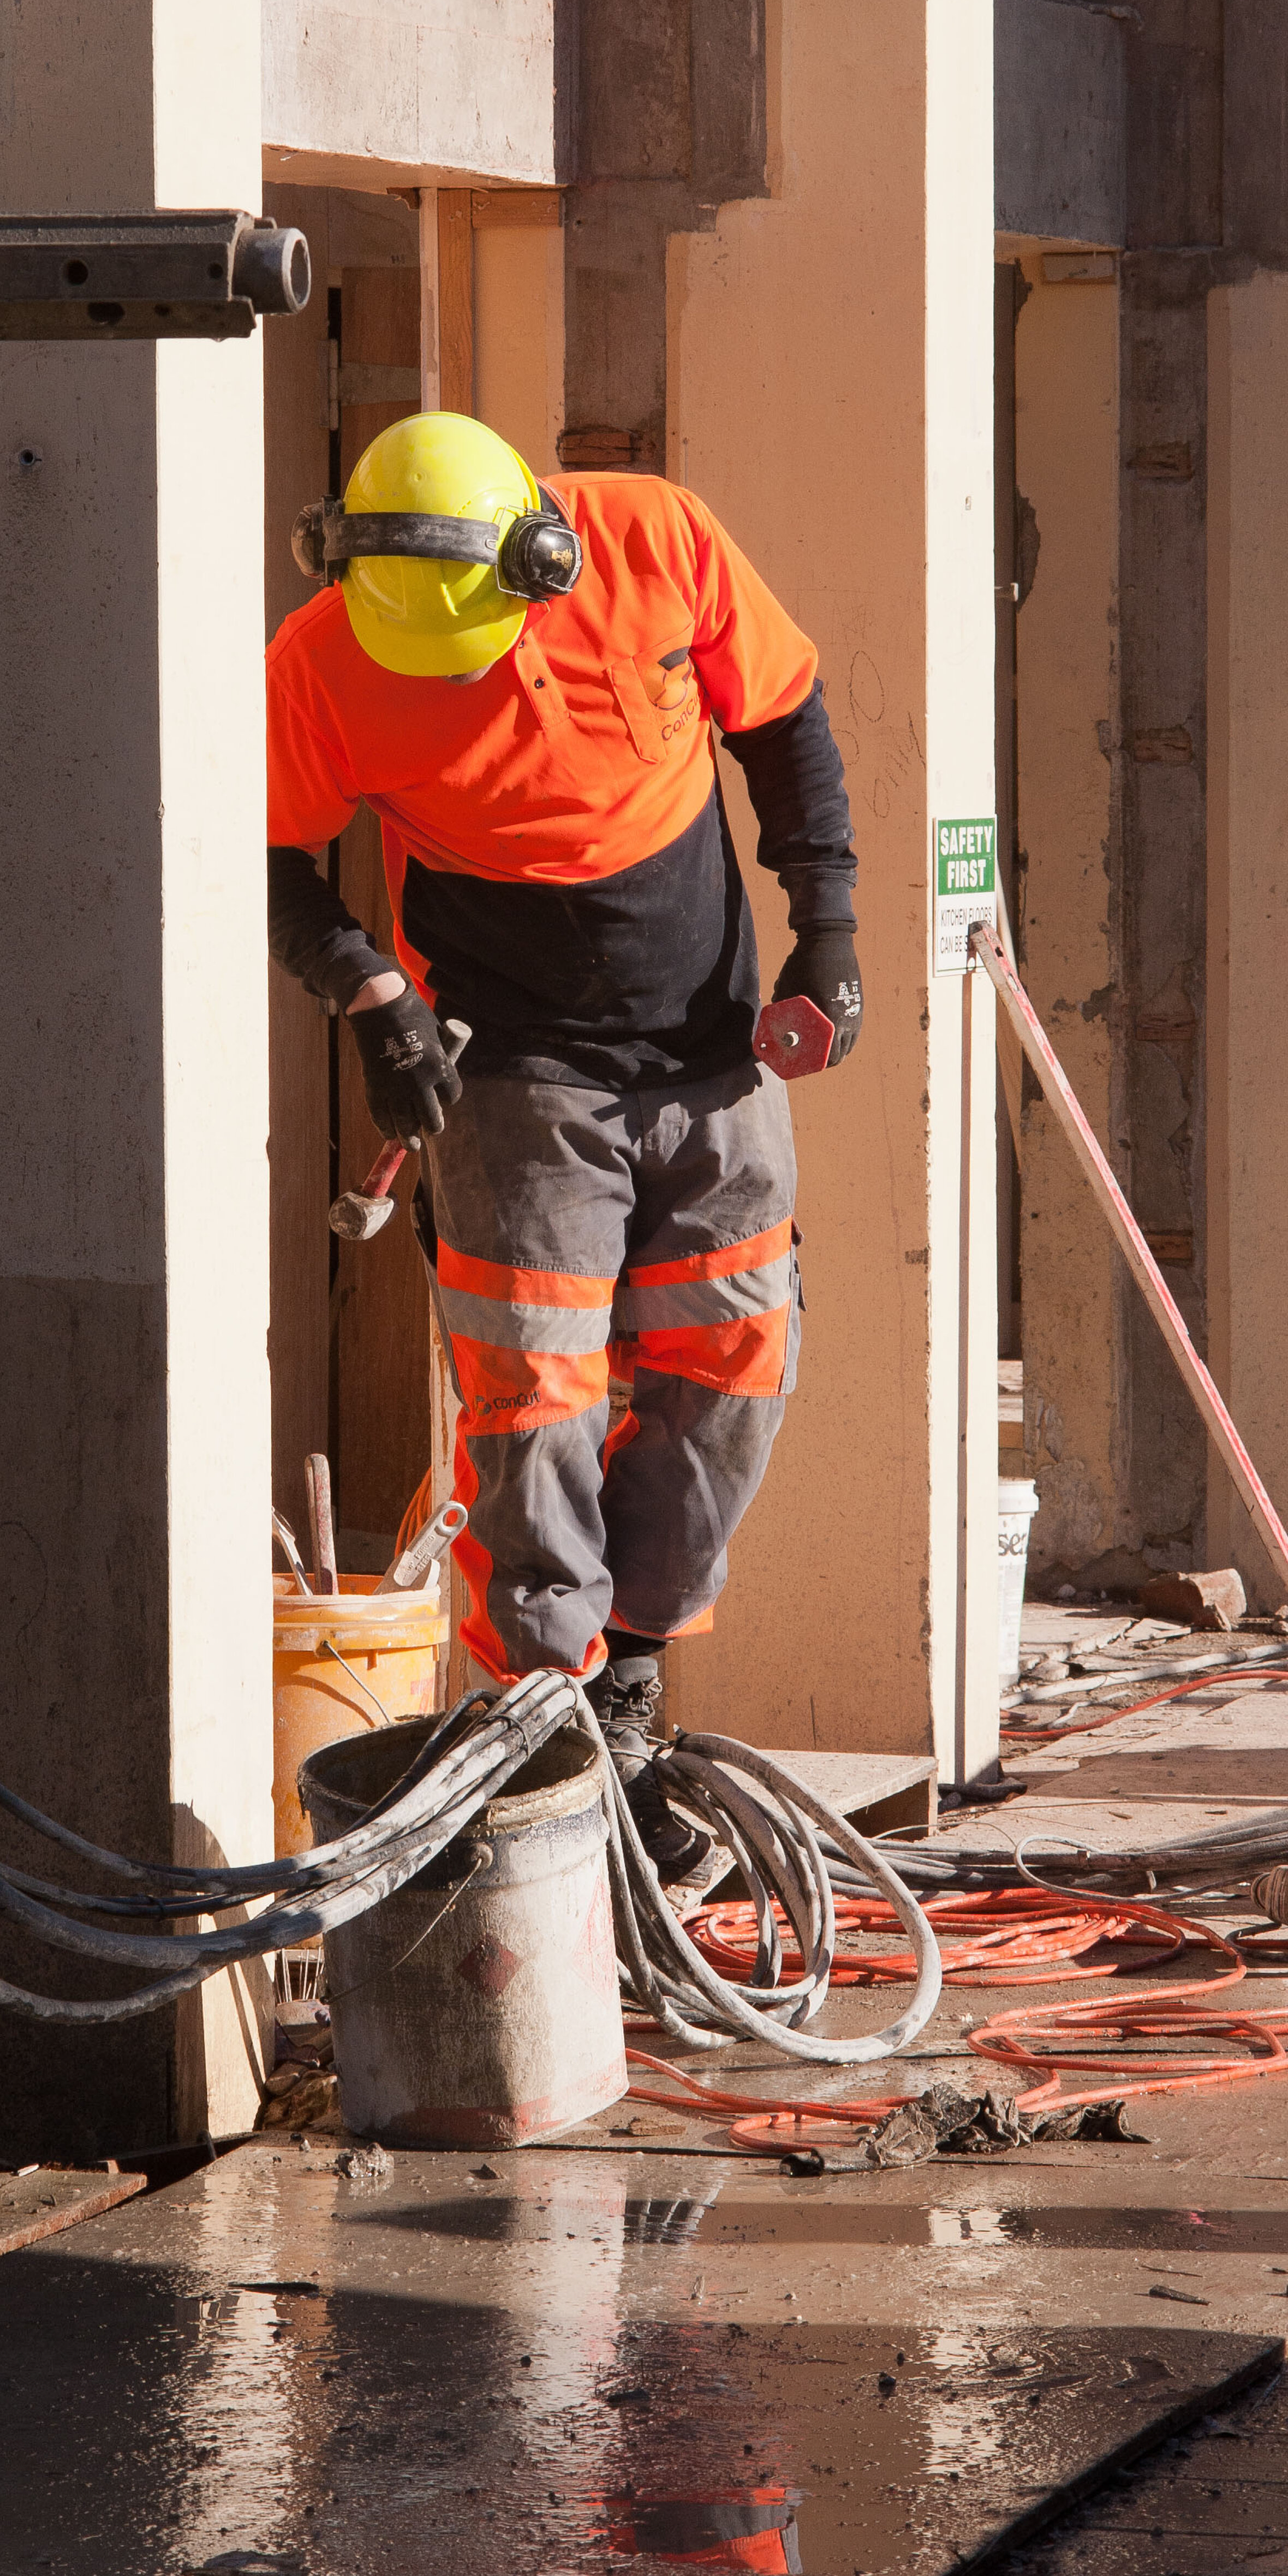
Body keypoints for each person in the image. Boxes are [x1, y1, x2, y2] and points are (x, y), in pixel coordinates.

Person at [265, 411, 861, 1872]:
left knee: (732, 1364)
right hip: (514, 1066)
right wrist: (370, 990)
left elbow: (785, 719)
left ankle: (638, 1679)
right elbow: (262, 848)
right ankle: (551, 1713)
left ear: (546, 554)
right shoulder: (328, 656)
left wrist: (827, 929)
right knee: (533, 1401)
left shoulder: (658, 539)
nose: (454, 680)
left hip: (713, 1044)